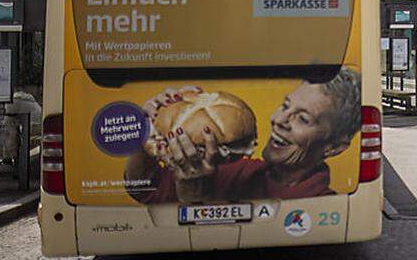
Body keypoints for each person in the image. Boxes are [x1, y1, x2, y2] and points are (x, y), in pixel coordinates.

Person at [125, 68, 362, 204]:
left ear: (334, 147)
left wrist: (195, 199)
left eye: (302, 118)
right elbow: (143, 189)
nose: (278, 120)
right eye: (285, 106)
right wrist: (146, 129)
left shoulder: (322, 204)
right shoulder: (241, 170)